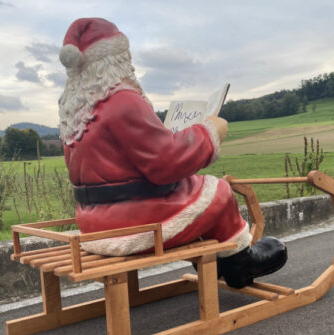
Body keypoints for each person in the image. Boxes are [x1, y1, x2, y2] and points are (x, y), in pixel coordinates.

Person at [58, 17, 287, 288]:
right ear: (115, 58)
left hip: (93, 224)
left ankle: (213, 261)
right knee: (219, 193)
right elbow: (166, 162)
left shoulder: (75, 111)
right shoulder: (122, 101)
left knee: (190, 188)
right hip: (132, 223)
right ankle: (239, 264)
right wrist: (210, 131)